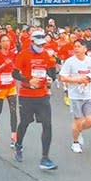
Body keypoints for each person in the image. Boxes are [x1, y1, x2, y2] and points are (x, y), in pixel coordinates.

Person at [12, 30, 58, 170]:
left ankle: (45, 158)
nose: (41, 46)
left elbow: (51, 71)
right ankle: (18, 145)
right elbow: (15, 73)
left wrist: (51, 78)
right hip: (27, 95)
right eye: (38, 44)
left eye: (43, 44)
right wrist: (28, 80)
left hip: (42, 95)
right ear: (32, 42)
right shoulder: (23, 54)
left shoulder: (46, 54)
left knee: (47, 124)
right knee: (25, 122)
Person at [59, 39, 91, 154]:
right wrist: (76, 80)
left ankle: (79, 131)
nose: (76, 48)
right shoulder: (70, 62)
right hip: (75, 96)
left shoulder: (90, 61)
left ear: (85, 49)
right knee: (78, 120)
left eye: (79, 46)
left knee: (90, 121)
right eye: (75, 46)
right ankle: (75, 143)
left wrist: (90, 78)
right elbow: (62, 77)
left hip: (87, 95)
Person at [0, 34, 18, 146]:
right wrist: (2, 65)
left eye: (8, 40)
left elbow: (17, 66)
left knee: (13, 111)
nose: (7, 42)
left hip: (11, 86)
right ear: (0, 43)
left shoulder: (13, 54)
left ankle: (13, 136)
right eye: (4, 41)